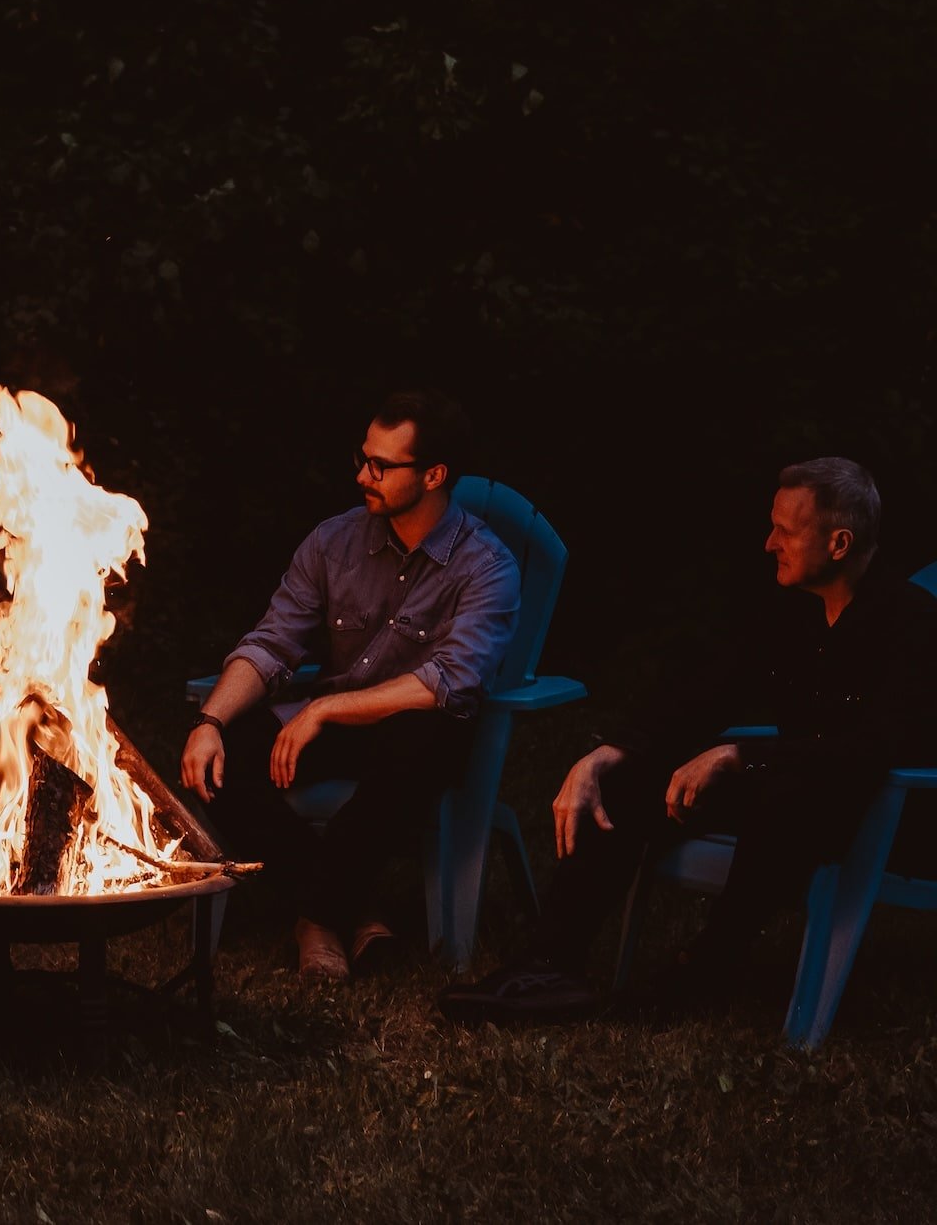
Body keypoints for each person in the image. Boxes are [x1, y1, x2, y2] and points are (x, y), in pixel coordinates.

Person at [438, 457, 937, 1026]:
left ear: (840, 542)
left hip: (891, 818)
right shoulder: (793, 611)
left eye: (785, 531)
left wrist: (739, 755)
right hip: (796, 790)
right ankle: (548, 967)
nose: (769, 542)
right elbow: (708, 694)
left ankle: (703, 966)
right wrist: (608, 754)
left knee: (784, 796)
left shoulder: (912, 623)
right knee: (626, 784)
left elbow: (875, 750)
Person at [180, 389, 522, 980]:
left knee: (424, 740)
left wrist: (327, 709)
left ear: (435, 474)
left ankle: (314, 916)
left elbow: (448, 681)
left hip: (417, 734)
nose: (363, 474)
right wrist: (210, 723)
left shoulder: (486, 567)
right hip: (334, 726)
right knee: (215, 758)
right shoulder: (333, 542)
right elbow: (272, 642)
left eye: (382, 466)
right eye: (363, 458)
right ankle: (351, 908)